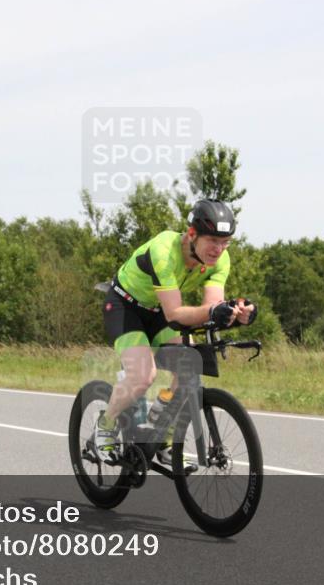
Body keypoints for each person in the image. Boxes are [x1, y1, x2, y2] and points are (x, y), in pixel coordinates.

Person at [97, 198, 257, 464]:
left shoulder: (221, 260)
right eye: (213, 241)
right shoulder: (164, 250)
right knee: (143, 376)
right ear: (192, 234)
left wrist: (236, 313)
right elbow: (175, 314)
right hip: (126, 306)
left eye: (225, 242)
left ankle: (162, 437)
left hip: (158, 311)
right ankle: (105, 425)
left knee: (188, 371)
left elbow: (211, 308)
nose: (219, 249)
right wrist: (214, 311)